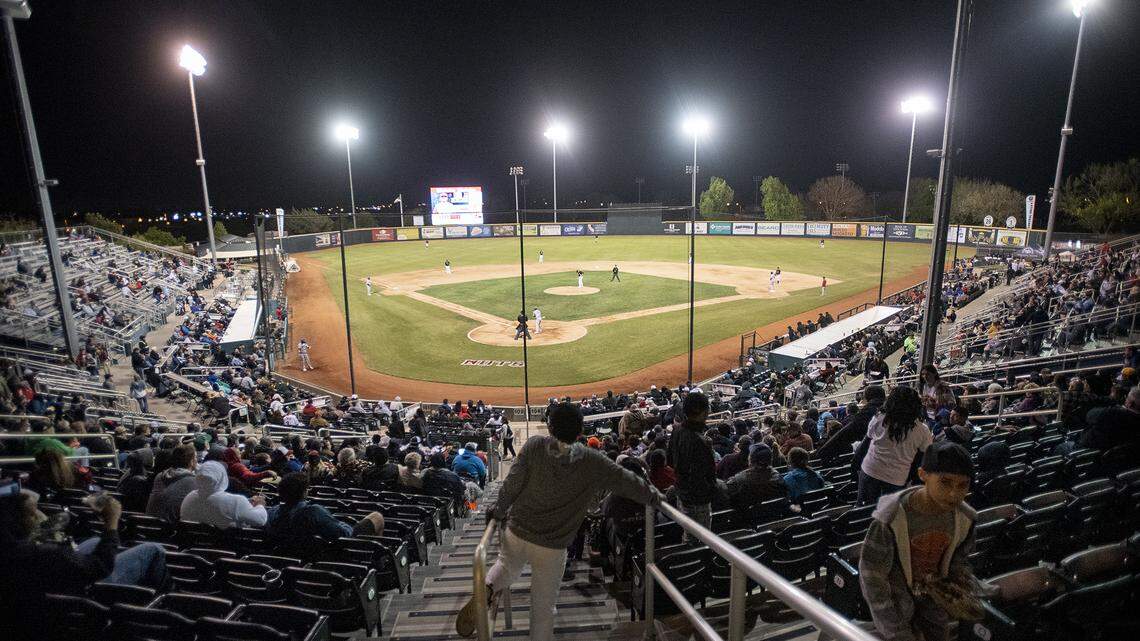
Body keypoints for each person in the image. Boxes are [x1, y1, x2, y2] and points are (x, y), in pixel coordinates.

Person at [455, 402, 659, 639]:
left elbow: (512, 484)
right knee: (543, 609)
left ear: (550, 427)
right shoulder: (592, 460)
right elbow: (627, 481)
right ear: (580, 431)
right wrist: (656, 497)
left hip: (518, 531)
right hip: (552, 546)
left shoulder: (534, 445)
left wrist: (499, 511)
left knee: (506, 566)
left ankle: (488, 587)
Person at [0, 488, 169, 641]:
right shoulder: (45, 553)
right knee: (153, 549)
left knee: (94, 541)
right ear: (17, 522)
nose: (39, 514)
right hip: (86, 592)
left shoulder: (11, 546)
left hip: (52, 580)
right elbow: (100, 566)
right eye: (32, 513)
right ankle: (159, 610)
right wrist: (111, 523)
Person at [859, 442, 978, 641]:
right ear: (923, 475)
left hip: (932, 600)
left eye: (962, 485)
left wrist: (954, 592)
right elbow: (872, 576)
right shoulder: (891, 518)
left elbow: (958, 561)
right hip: (896, 603)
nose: (953, 494)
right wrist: (894, 629)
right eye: (945, 482)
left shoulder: (966, 519)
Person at [859, 386, 932, 506]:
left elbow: (867, 441)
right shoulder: (923, 430)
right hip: (896, 479)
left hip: (870, 470)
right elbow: (924, 457)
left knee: (863, 511)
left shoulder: (879, 418)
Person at [267, 473, 383, 542]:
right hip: (330, 552)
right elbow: (344, 534)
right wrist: (345, 524)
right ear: (304, 493)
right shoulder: (314, 512)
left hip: (291, 553)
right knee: (377, 517)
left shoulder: (271, 513)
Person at [666, 392, 717, 538]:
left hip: (681, 493)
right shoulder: (702, 441)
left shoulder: (676, 431)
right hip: (698, 499)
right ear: (702, 411)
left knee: (688, 534)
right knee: (701, 540)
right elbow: (708, 475)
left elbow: (669, 461)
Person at [180, 461, 268, 529]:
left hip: (194, 547)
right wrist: (260, 504)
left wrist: (245, 503)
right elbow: (260, 520)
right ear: (222, 477)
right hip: (227, 548)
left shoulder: (189, 497)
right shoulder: (236, 501)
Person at [725, 443, 786, 514]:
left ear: (750, 459)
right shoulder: (778, 478)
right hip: (774, 518)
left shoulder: (739, 480)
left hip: (748, 522)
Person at [146, 444, 197, 522]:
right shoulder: (193, 481)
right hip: (172, 529)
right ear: (191, 461)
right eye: (195, 457)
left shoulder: (160, 476)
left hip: (149, 524)